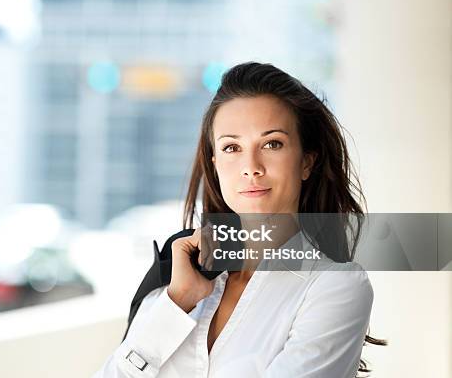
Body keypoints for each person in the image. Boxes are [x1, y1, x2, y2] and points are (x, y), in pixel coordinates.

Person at [92, 62, 386, 378]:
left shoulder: (335, 286)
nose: (251, 166)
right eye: (232, 147)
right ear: (215, 164)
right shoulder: (178, 273)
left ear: (306, 162)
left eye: (272, 144)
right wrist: (177, 302)